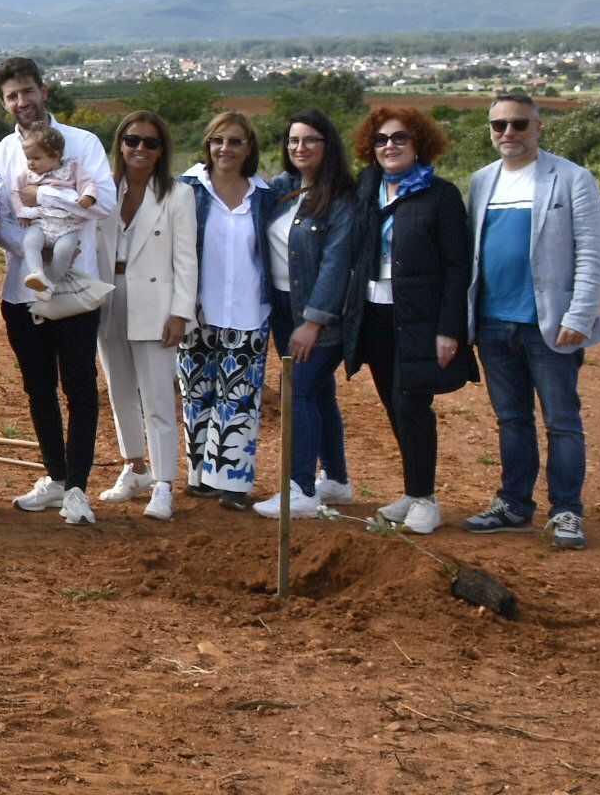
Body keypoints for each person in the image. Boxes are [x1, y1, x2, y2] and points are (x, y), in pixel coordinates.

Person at [461, 91, 600, 547]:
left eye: (519, 124)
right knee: (512, 420)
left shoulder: (572, 179)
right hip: (492, 324)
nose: (509, 133)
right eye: (499, 125)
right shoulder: (482, 181)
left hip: (551, 325)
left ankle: (566, 511)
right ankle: (514, 505)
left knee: (562, 421)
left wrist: (580, 314)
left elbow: (593, 253)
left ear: (538, 128)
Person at [0, 58, 113, 523]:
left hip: (75, 288)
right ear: (4, 103)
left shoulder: (83, 143)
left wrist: (53, 213)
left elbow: (105, 201)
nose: (23, 102)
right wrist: (36, 254)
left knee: (79, 384)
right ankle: (56, 478)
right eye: (12, 96)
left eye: (27, 91)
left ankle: (79, 488)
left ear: (44, 90)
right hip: (23, 290)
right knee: (38, 388)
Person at [347, 105, 477, 537]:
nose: (390, 146)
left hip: (420, 319)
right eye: (382, 139)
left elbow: (458, 268)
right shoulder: (368, 189)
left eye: (400, 137)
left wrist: (449, 328)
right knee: (392, 404)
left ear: (419, 143)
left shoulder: (440, 196)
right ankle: (411, 490)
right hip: (375, 315)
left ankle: (425, 499)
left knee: (412, 405)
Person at [177, 111, 286, 513]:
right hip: (197, 311)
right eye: (218, 140)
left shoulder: (265, 196)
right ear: (207, 144)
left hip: (248, 311)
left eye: (235, 141)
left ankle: (233, 481)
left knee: (239, 399)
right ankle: (201, 478)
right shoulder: (187, 189)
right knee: (197, 395)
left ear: (249, 147)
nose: (225, 148)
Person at [94, 113, 197, 520]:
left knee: (156, 397)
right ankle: (134, 467)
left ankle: (164, 483)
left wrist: (180, 312)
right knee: (119, 391)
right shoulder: (105, 192)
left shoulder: (178, 195)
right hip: (109, 296)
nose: (140, 149)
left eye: (150, 143)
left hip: (155, 303)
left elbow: (186, 261)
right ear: (120, 144)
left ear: (162, 150)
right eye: (132, 140)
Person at [259, 109, 359, 516]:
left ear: (327, 144)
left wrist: (313, 322)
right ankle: (335, 479)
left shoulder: (341, 198)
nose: (300, 148)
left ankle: (300, 488)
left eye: (310, 140)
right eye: (293, 140)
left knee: (298, 390)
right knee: (319, 392)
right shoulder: (280, 188)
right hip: (282, 308)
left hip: (320, 316)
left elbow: (337, 265)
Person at [14, 126, 101, 298]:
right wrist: (21, 212)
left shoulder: (72, 168)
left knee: (64, 251)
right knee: (30, 242)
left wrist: (88, 196)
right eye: (28, 158)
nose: (30, 163)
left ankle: (50, 283)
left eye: (36, 158)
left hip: (68, 224)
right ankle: (37, 273)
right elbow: (15, 192)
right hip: (41, 221)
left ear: (55, 155)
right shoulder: (28, 174)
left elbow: (89, 183)